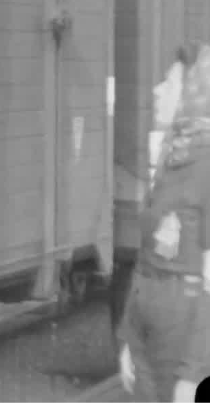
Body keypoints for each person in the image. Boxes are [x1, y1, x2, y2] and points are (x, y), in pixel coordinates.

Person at [116, 42, 210, 403]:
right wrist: (128, 336)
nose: (157, 90)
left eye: (168, 84)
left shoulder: (205, 166)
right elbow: (146, 255)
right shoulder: (172, 157)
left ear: (192, 96)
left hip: (181, 328)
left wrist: (193, 374)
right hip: (147, 318)